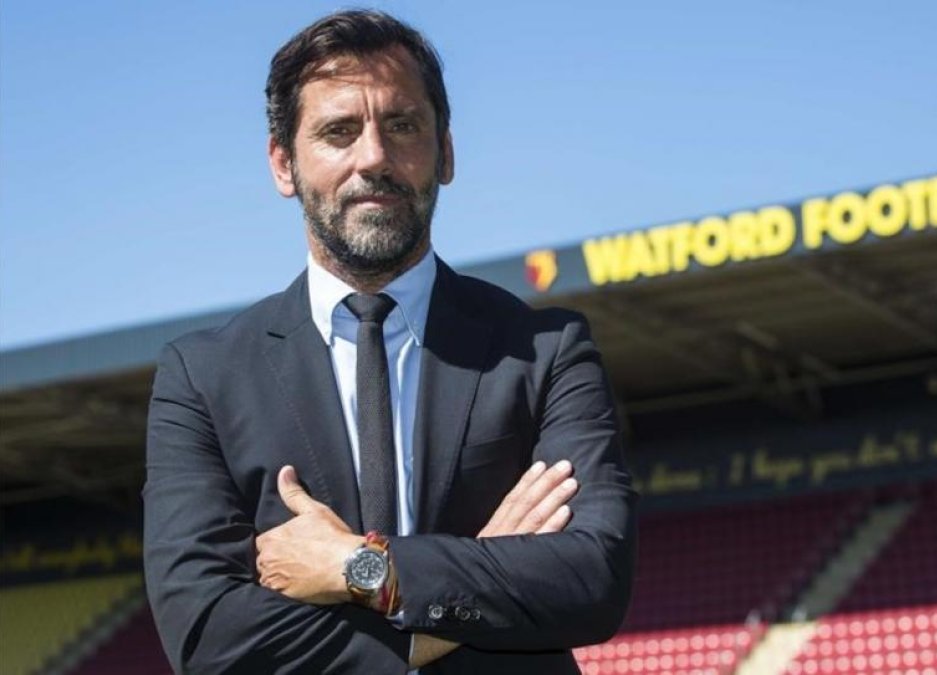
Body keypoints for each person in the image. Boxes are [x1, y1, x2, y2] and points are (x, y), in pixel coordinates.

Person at [142, 9, 637, 674]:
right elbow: (210, 638)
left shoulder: (546, 349)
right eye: (338, 132)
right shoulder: (201, 377)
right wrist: (444, 615)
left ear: (447, 151)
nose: (373, 156)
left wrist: (358, 567)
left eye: (401, 125)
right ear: (283, 164)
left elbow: (589, 578)